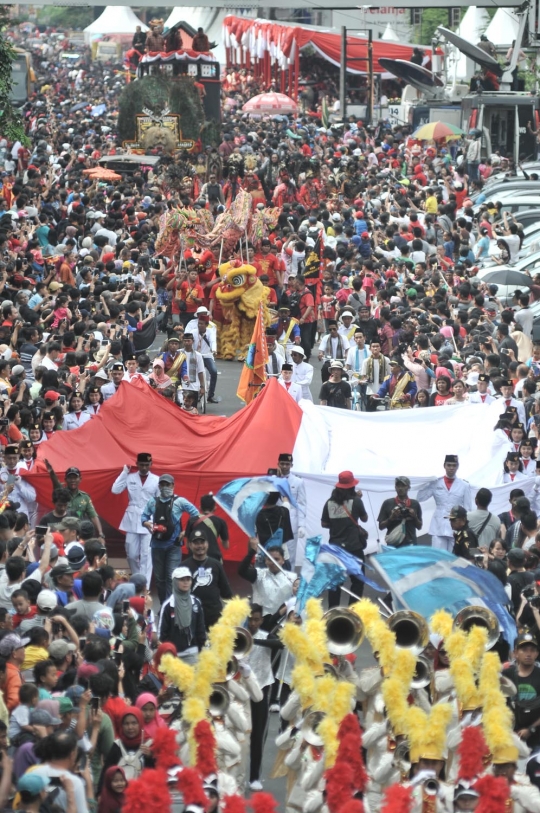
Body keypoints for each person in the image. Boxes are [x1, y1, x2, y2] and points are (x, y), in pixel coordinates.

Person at [140, 474, 199, 605]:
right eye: (163, 485)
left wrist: (186, 531)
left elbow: (195, 514)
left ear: (173, 485)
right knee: (160, 579)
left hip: (174, 545)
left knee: (171, 577)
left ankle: (170, 606)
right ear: (159, 486)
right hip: (156, 545)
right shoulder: (153, 502)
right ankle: (163, 604)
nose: (165, 487)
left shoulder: (180, 501)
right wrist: (147, 524)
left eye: (168, 484)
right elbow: (143, 516)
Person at [321, 471, 368, 607]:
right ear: (352, 486)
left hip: (336, 548)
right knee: (357, 581)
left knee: (335, 582)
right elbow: (364, 519)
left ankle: (333, 612)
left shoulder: (329, 503)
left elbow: (324, 523)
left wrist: (337, 524)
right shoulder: (357, 501)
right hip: (354, 547)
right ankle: (352, 612)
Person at [111, 453, 159, 583]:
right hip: (132, 519)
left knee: (146, 555)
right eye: (141, 464)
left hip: (149, 518)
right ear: (137, 464)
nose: (144, 467)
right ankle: (138, 580)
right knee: (131, 554)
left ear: (151, 465)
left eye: (146, 465)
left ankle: (145, 588)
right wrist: (124, 472)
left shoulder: (156, 480)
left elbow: (160, 501)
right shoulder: (130, 477)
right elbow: (115, 490)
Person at [417, 455, 474, 551]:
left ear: (457, 466)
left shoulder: (464, 485)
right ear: (444, 466)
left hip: (456, 527)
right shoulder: (436, 483)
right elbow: (420, 497)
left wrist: (464, 528)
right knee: (438, 558)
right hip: (438, 525)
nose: (451, 468)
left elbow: (468, 508)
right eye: (449, 465)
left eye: (454, 465)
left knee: (453, 558)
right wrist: (428, 482)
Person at [182, 530, 233, 629]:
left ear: (207, 544)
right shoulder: (183, 567)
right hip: (191, 615)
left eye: (202, 542)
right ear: (190, 545)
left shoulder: (216, 564)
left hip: (214, 616)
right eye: (196, 543)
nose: (200, 546)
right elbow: (177, 593)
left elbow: (226, 592)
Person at [157, 566, 206, 664]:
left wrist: (202, 649)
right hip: (173, 655)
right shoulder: (168, 605)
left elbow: (200, 629)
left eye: (188, 579)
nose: (186, 582)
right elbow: (162, 633)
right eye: (182, 579)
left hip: (193, 653)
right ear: (174, 581)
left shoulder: (195, 603)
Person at [503, 631, 540, 750]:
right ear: (515, 653)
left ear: (537, 653)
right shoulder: (506, 676)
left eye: (532, 650)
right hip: (509, 737)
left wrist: (531, 729)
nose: (528, 654)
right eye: (524, 650)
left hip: (537, 739)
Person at [377, 476, 422, 547]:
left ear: (408, 487)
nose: (400, 488)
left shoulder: (414, 504)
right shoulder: (388, 503)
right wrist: (391, 518)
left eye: (403, 486)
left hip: (410, 543)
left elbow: (419, 526)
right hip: (394, 543)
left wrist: (414, 517)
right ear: (395, 487)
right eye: (398, 486)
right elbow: (380, 526)